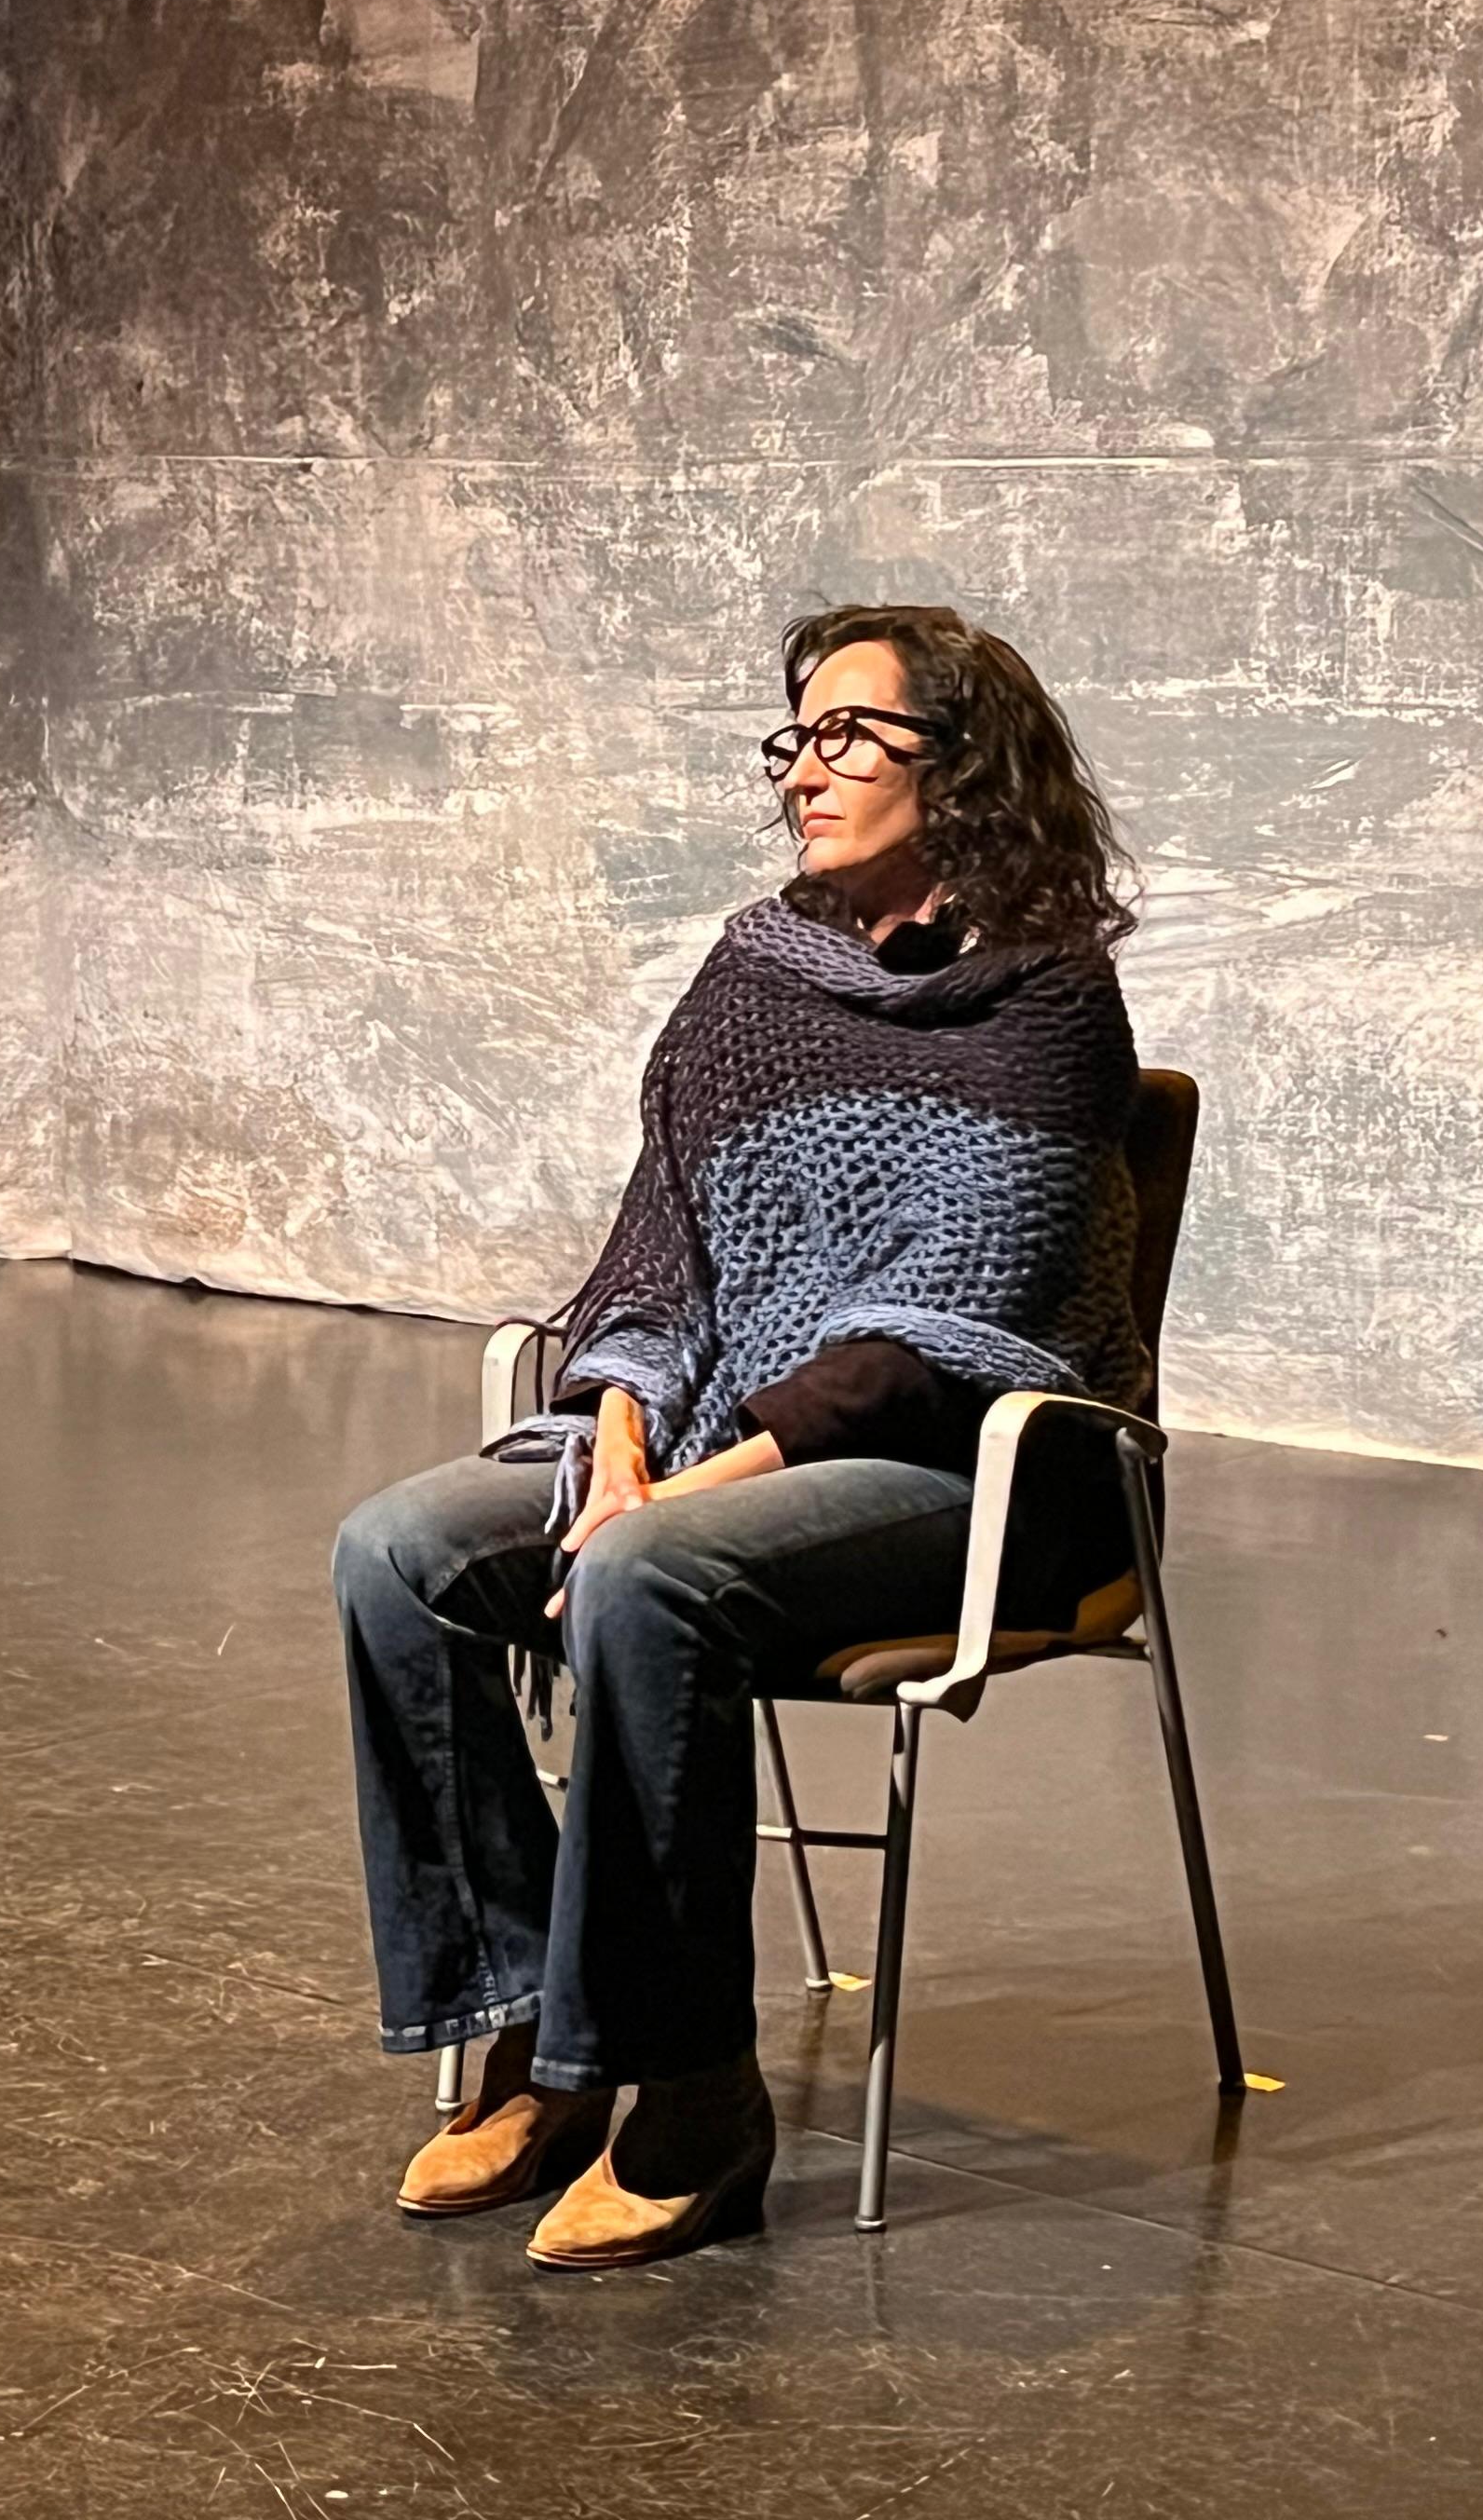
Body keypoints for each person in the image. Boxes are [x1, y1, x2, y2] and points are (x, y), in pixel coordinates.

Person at [333, 602, 1152, 2268]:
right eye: (795, 738)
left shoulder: (1050, 999)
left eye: (850, 734)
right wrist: (625, 1436)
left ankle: (694, 2101)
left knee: (649, 1580)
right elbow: (661, 1255)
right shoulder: (753, 976)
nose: (803, 771)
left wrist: (685, 1492)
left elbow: (944, 1332)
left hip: (979, 1474)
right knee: (397, 1553)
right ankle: (536, 2029)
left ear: (963, 765)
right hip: (723, 1450)